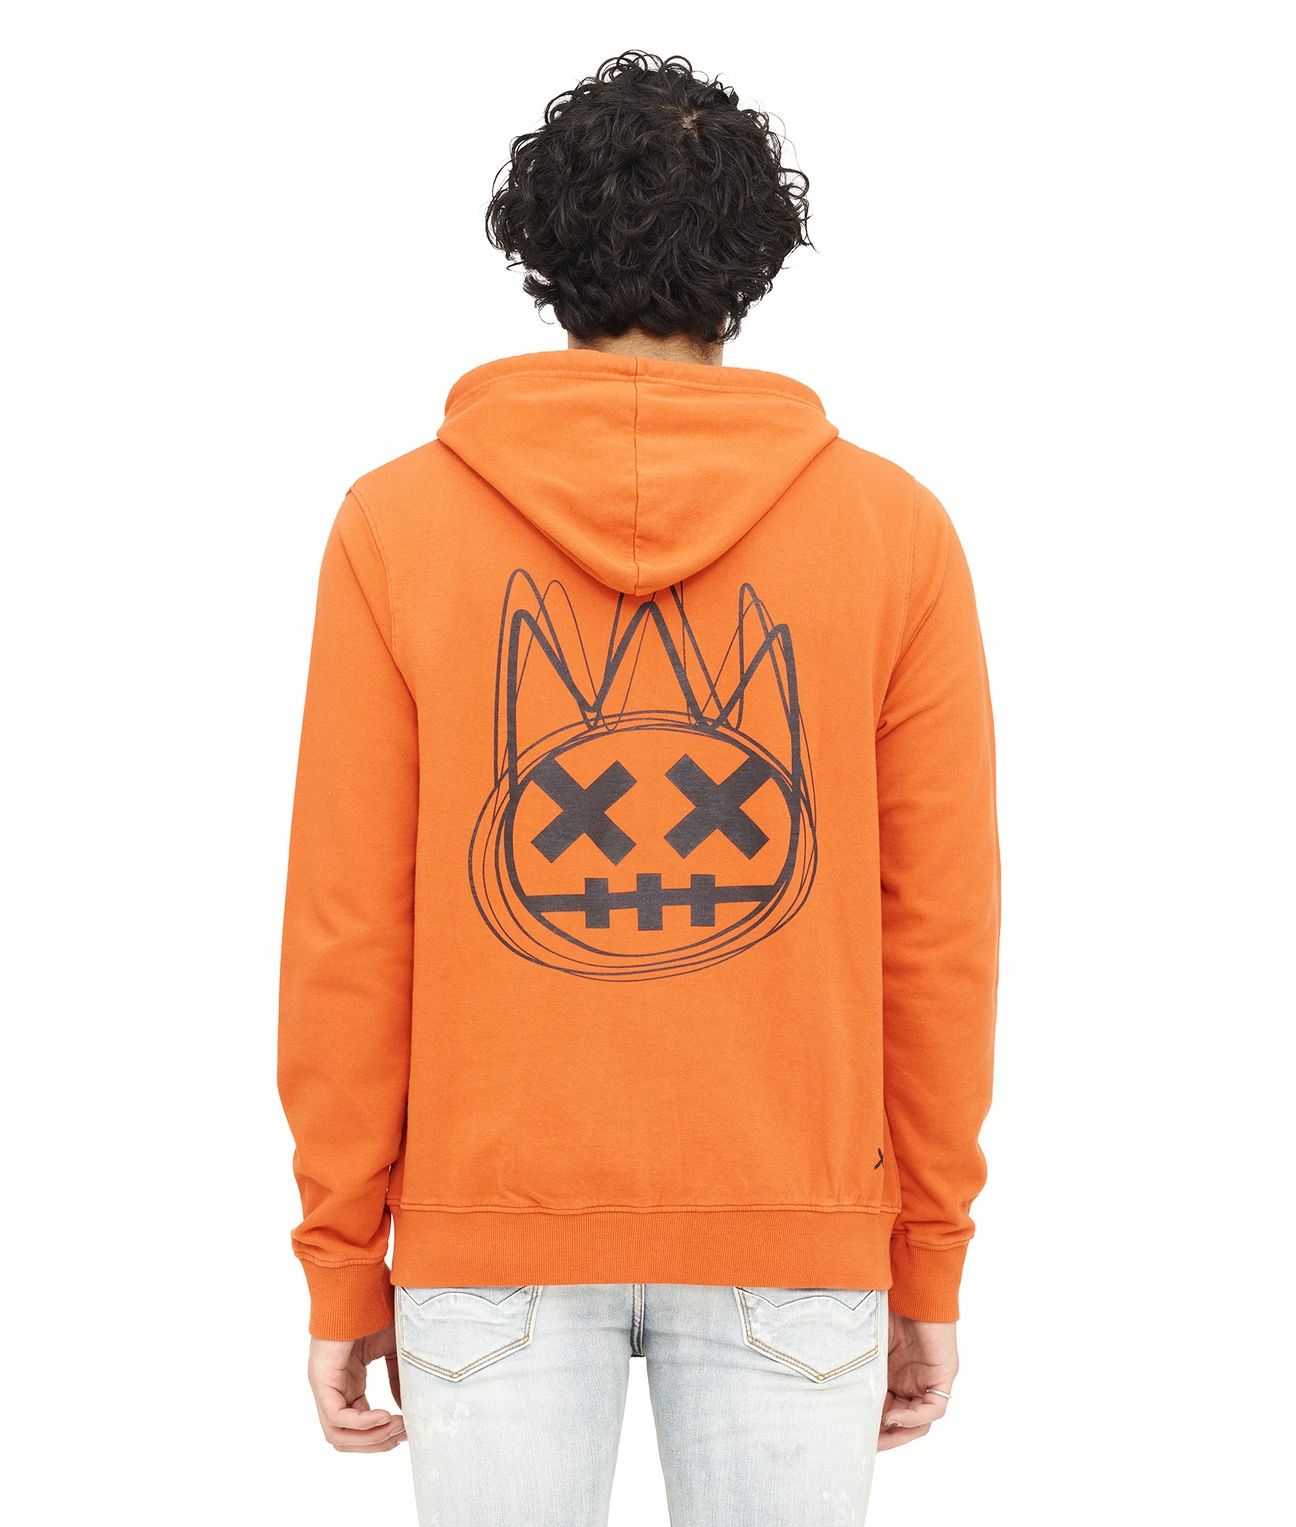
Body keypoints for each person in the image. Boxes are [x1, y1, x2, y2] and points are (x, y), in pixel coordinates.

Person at [278, 50, 999, 1527]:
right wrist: (926, 1253)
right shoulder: (894, 530)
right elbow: (938, 935)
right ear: (755, 264)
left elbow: (350, 926)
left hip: (487, 1238)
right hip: (796, 1231)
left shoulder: (395, 525)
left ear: (542, 256)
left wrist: (346, 1258)